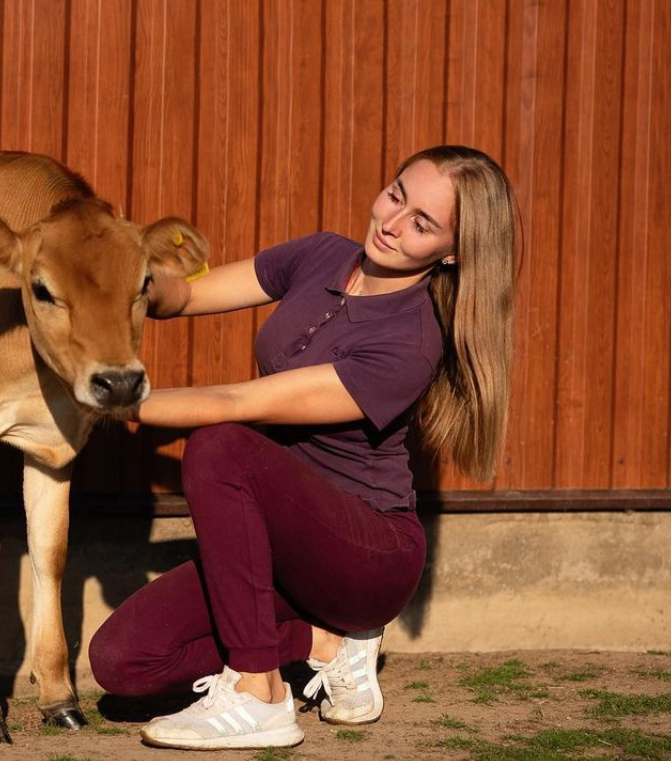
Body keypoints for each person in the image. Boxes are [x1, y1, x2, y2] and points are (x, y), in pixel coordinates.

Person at [88, 145, 517, 750]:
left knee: (221, 446)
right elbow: (183, 295)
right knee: (122, 661)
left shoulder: (411, 340)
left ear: (451, 252)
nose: (391, 225)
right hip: (279, 542)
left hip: (365, 557)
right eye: (396, 195)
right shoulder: (321, 255)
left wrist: (101, 398)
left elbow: (236, 404)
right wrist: (109, 278)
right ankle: (328, 644)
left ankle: (260, 695)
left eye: (422, 223)